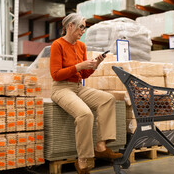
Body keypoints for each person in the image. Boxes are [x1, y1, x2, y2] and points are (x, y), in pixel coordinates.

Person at [50, 13, 123, 174]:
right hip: (61, 88)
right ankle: (83, 160)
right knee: (85, 114)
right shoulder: (57, 45)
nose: (83, 30)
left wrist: (95, 64)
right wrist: (78, 66)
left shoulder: (81, 46)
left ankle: (101, 146)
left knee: (107, 99)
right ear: (70, 26)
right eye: (81, 27)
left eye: (85, 27)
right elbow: (55, 74)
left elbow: (83, 75)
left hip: (78, 87)